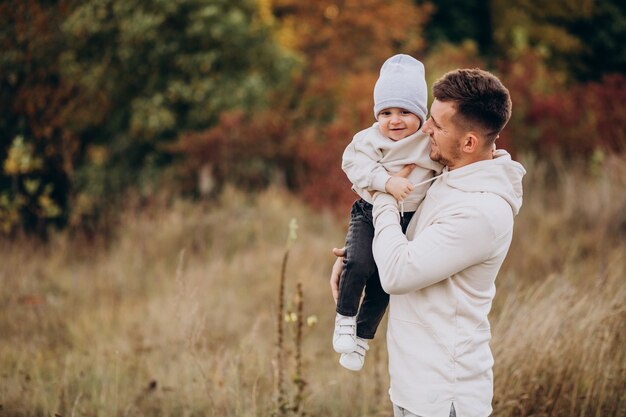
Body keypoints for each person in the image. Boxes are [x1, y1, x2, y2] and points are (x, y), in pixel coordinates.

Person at [330, 68, 526, 417]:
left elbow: (397, 273)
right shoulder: (451, 173)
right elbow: (409, 241)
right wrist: (358, 257)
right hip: (414, 387)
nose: (424, 130)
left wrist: (385, 192)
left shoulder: (480, 211)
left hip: (443, 398)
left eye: (436, 124)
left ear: (468, 143)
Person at [333, 54, 442, 372]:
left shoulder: (427, 142)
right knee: (359, 263)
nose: (395, 120)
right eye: (386, 112)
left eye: (405, 112)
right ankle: (344, 318)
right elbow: (353, 165)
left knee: (384, 282)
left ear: (421, 115)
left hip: (408, 219)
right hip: (369, 213)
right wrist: (386, 181)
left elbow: (447, 165)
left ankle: (362, 339)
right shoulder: (369, 140)